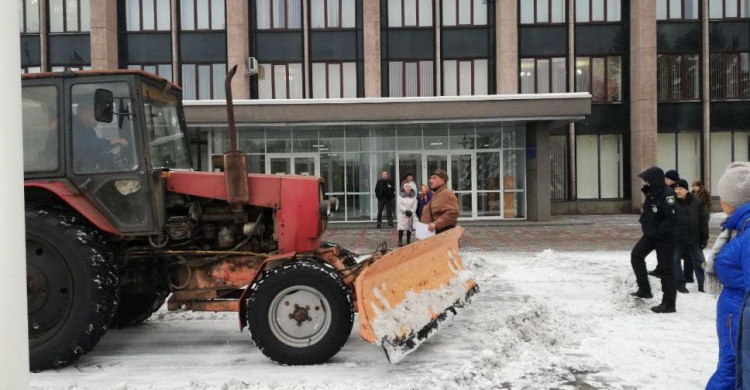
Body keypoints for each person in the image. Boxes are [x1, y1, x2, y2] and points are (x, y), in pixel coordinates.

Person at [706, 162, 750, 390]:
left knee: (731, 370)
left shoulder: (747, 233)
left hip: (740, 317)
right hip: (736, 313)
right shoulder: (739, 227)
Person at [630, 166, 678, 313]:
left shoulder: (668, 195)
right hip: (651, 234)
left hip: (664, 237)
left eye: (647, 181)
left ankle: (669, 304)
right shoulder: (654, 193)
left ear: (655, 180)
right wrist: (648, 194)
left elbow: (672, 218)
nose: (646, 184)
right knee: (636, 255)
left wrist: (658, 231)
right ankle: (644, 289)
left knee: (666, 269)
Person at [671, 179, 708, 294]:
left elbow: (703, 220)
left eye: (680, 188)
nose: (678, 191)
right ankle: (679, 284)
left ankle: (704, 284)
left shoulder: (696, 202)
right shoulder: (671, 202)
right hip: (676, 239)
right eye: (676, 189)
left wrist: (704, 237)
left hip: (694, 239)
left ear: (686, 190)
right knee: (675, 261)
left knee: (700, 262)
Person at [72, 97, 128, 170]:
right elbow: (81, 145)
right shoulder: (71, 127)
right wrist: (110, 142)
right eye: (98, 113)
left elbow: (96, 153)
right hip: (77, 173)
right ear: (85, 111)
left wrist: (111, 160)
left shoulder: (89, 131)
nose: (100, 118)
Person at [420, 169, 459, 234]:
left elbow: (453, 213)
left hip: (442, 237)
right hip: (433, 236)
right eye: (430, 178)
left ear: (442, 180)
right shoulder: (437, 194)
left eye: (434, 178)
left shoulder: (446, 193)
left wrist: (436, 224)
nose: (430, 181)